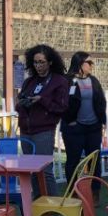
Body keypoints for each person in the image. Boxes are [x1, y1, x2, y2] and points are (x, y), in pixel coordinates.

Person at [17, 44, 70, 199]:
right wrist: (22, 103)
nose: (38, 66)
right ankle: (37, 204)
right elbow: (19, 104)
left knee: (45, 171)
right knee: (32, 170)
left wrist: (42, 100)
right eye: (35, 62)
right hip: (26, 130)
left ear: (50, 62)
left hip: (44, 130)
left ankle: (53, 208)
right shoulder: (29, 81)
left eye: (42, 62)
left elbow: (61, 107)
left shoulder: (59, 81)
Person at [61, 51, 106, 202]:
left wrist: (101, 121)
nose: (92, 65)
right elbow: (61, 102)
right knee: (73, 161)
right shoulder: (67, 81)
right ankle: (73, 193)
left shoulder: (93, 81)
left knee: (94, 161)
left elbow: (101, 101)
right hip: (74, 128)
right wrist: (69, 120)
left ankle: (95, 193)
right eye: (89, 62)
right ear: (79, 63)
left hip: (93, 128)